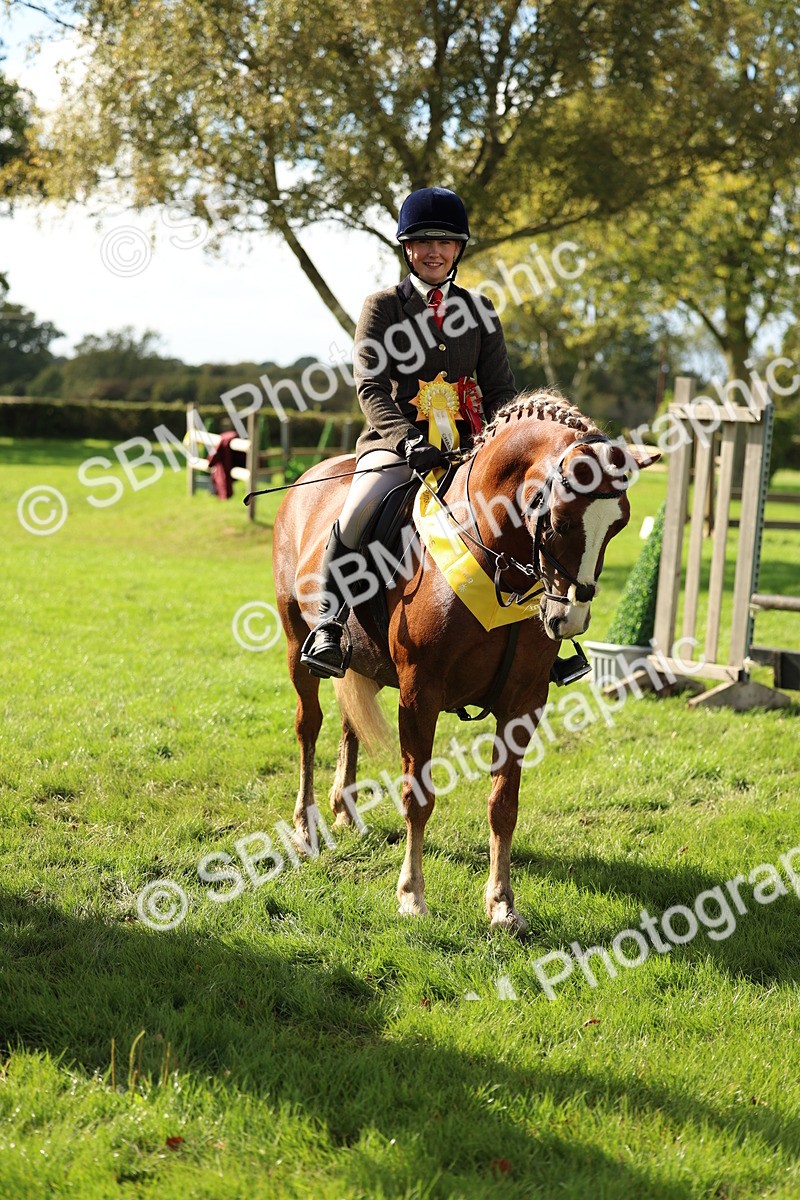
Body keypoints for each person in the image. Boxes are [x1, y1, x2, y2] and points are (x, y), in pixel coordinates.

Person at [301, 186, 516, 678]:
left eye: (445, 241)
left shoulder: (480, 310)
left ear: (458, 249)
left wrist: (499, 443)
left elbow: (501, 389)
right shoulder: (382, 308)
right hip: (397, 448)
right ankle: (330, 624)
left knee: (523, 513)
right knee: (358, 511)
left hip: (469, 449)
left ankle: (539, 637)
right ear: (407, 248)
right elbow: (371, 387)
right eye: (423, 241)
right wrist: (406, 440)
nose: (434, 251)